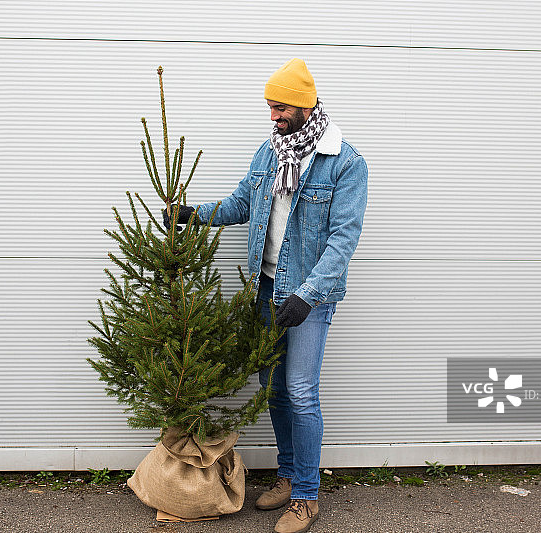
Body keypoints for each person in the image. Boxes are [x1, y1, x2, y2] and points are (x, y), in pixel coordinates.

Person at [163, 58, 368, 533]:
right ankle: (288, 473)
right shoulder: (268, 152)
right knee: (273, 389)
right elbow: (243, 203)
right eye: (270, 108)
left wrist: (308, 295)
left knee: (300, 391)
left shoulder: (345, 162)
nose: (273, 116)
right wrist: (196, 215)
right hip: (267, 287)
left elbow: (343, 239)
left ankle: (306, 496)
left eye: (280, 108)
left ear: (304, 105)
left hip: (308, 296)